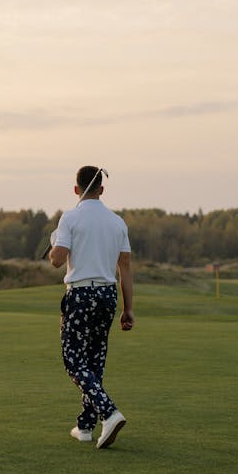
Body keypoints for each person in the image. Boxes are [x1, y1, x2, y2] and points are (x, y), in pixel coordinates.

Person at [48, 166, 135, 449]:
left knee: (74, 361)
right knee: (94, 361)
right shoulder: (117, 222)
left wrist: (54, 242)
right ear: (102, 189)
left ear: (76, 190)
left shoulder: (70, 218)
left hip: (81, 294)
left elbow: (57, 260)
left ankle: (109, 413)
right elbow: (125, 269)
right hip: (108, 296)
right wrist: (128, 309)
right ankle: (85, 426)